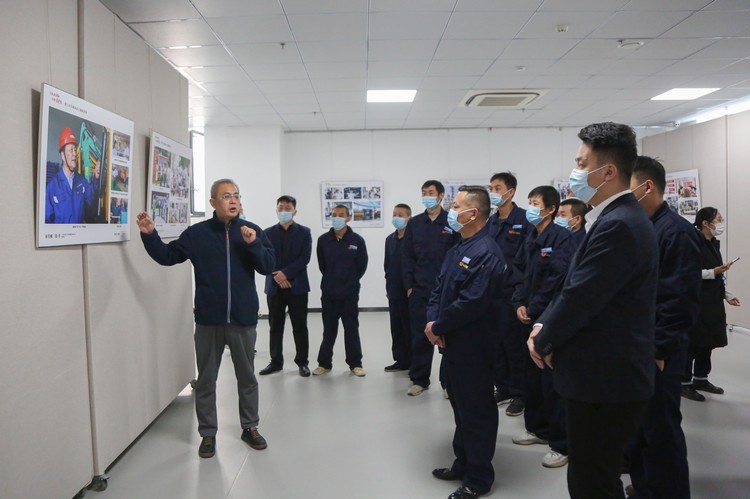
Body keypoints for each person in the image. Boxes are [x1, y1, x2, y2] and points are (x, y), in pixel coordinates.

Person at [528, 122, 659, 498]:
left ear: (609, 172)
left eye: (582, 163)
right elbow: (574, 285)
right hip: (602, 377)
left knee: (592, 482)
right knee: (595, 476)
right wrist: (543, 325)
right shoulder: (616, 217)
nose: (576, 171)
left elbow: (582, 297)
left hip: (605, 381)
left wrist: (542, 338)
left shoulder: (620, 224)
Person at [137, 179, 275, 459]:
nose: (233, 200)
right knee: (207, 380)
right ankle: (208, 434)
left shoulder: (252, 231)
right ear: (213, 202)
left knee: (247, 378)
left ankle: (250, 427)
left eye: (236, 195)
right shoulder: (197, 234)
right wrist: (150, 235)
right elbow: (168, 256)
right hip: (209, 321)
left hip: (242, 320)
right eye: (226, 196)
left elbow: (268, 266)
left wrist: (253, 244)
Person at [626, 156, 702, 498]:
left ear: (647, 187)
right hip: (637, 346)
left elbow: (679, 300)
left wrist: (658, 350)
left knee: (662, 430)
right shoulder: (642, 227)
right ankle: (644, 488)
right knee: (639, 428)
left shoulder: (677, 233)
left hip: (661, 351)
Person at [427, 186, 505, 499]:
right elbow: (438, 288)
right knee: (460, 407)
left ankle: (479, 477)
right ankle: (463, 461)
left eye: (456, 205)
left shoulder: (487, 252)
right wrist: (433, 322)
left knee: (477, 412)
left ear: (472, 213)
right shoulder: (459, 247)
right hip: (452, 344)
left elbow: (472, 302)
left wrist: (439, 325)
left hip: (475, 347)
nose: (450, 209)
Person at [510, 185, 573, 469]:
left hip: (549, 318)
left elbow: (557, 280)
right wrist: (519, 303)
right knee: (531, 378)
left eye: (536, 203)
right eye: (530, 202)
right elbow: (519, 273)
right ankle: (537, 428)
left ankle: (561, 443)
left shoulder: (562, 239)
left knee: (552, 382)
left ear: (550, 209)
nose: (531, 208)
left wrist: (534, 308)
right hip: (527, 316)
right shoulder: (530, 237)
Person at [402, 180, 461, 396]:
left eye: (431, 192)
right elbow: (406, 257)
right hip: (420, 289)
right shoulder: (415, 223)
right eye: (424, 192)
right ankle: (419, 379)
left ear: (441, 195)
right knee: (419, 337)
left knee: (447, 338)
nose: (427, 196)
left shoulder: (451, 222)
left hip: (446, 291)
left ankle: (448, 383)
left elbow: (459, 253)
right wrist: (409, 286)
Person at [682, 206, 741, 401]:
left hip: (712, 302)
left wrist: (727, 294)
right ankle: (684, 383)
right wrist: (712, 272)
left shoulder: (713, 243)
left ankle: (701, 378)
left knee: (707, 342)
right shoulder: (692, 243)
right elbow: (686, 273)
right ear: (706, 223)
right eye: (718, 219)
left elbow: (717, 274)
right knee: (692, 342)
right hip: (695, 300)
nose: (721, 223)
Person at [488, 172, 531, 417]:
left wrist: (521, 294)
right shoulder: (491, 221)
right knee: (497, 345)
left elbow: (527, 260)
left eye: (498, 187)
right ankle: (502, 387)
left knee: (515, 347)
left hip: (514, 293)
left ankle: (519, 393)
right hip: (493, 294)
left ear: (511, 191)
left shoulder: (524, 220)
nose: (494, 192)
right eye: (491, 187)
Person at [313, 204, 368, 377]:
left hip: (350, 293)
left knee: (351, 328)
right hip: (329, 293)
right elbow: (322, 265)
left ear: (348, 218)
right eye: (334, 214)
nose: (337, 218)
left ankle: (355, 364)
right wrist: (332, 279)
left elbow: (361, 266)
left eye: (341, 215)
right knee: (329, 330)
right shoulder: (323, 240)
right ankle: (324, 363)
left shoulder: (357, 240)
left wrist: (349, 281)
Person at [260, 195, 313, 377]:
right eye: (280, 208)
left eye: (287, 208)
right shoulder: (267, 233)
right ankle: (275, 362)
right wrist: (279, 276)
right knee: (275, 326)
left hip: (297, 286)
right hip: (275, 286)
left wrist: (286, 274)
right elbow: (266, 257)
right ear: (276, 210)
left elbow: (304, 258)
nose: (283, 211)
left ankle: (302, 363)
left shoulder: (305, 232)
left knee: (300, 326)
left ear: (294, 211)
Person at [45, 127, 101, 224]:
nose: (75, 154)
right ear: (62, 155)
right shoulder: (52, 186)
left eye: (75, 150)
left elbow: (91, 200)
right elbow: (47, 220)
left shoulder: (81, 181)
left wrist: (96, 177)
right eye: (71, 150)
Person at [384, 203, 412, 372]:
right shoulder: (390, 239)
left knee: (410, 327)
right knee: (396, 327)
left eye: (401, 214)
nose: (397, 217)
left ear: (409, 217)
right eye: (395, 214)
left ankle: (414, 361)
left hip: (409, 290)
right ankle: (400, 360)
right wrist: (388, 287)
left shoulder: (414, 238)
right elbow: (387, 265)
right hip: (394, 290)